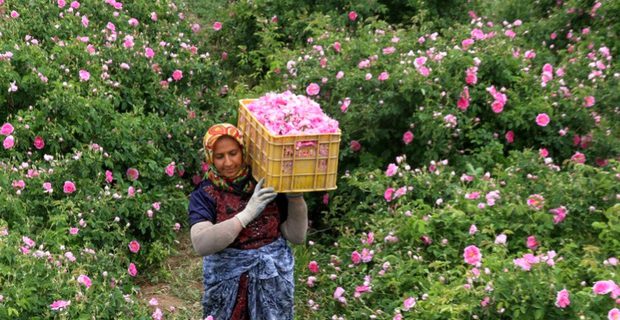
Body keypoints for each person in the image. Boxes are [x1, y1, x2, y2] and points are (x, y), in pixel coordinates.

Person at [188, 123, 308, 320]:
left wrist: (296, 198)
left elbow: (296, 236)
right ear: (210, 158)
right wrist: (247, 214)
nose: (228, 162)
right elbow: (201, 243)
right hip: (228, 285)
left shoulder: (267, 182)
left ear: (244, 151)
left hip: (273, 281)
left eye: (233, 153)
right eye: (219, 156)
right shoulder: (205, 194)